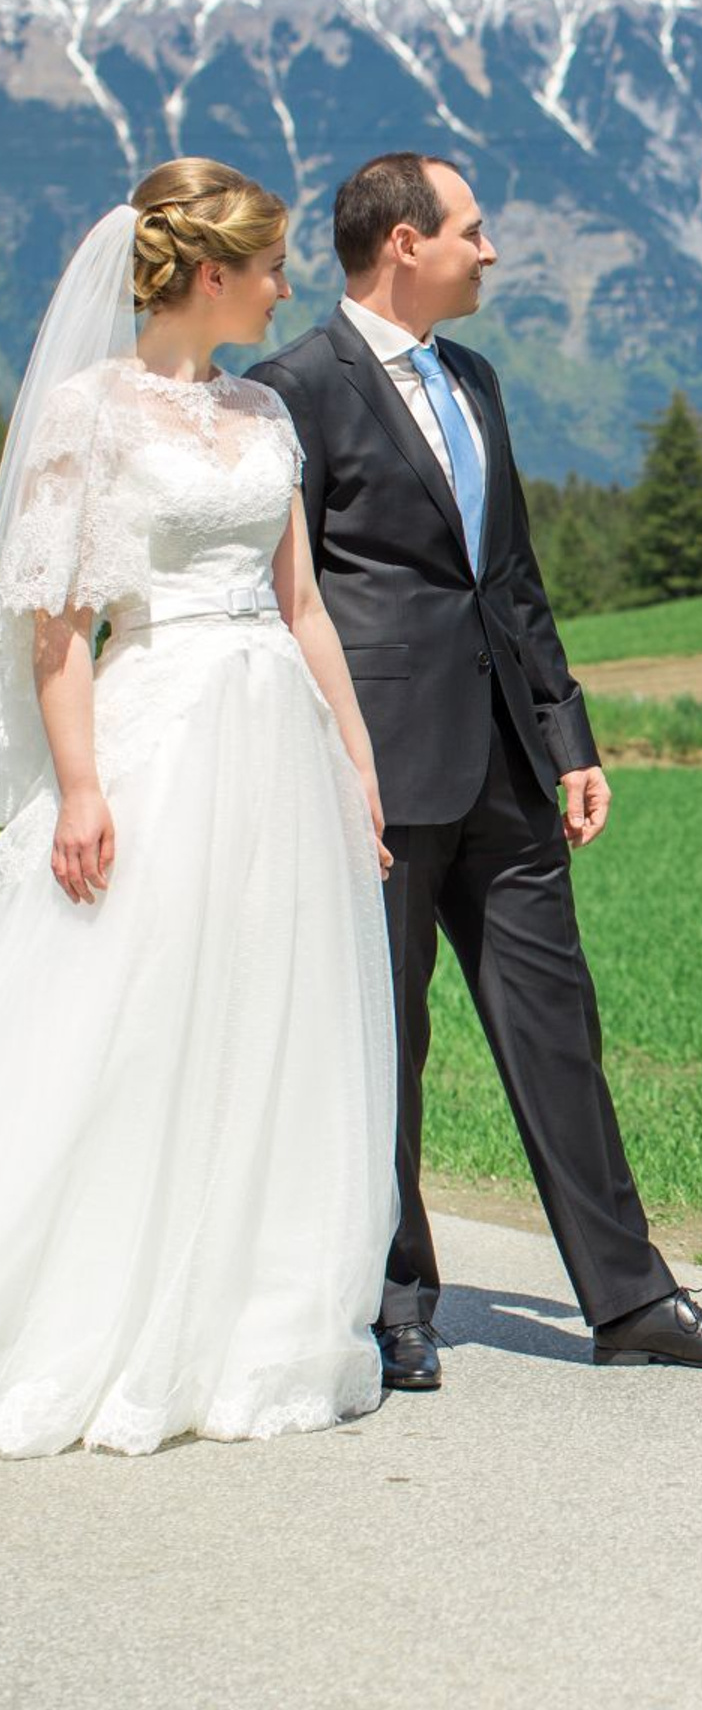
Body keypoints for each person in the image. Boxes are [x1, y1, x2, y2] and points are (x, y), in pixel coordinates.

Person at [248, 153, 702, 1383]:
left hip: (506, 772)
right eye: (473, 231)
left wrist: (569, 737)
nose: (490, 252)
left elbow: (514, 579)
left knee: (559, 1028)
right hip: (370, 774)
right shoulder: (292, 390)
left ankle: (632, 1299)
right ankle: (393, 1304)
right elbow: (289, 598)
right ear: (402, 243)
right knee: (383, 1042)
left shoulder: (477, 379)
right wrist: (327, 759)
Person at [0, 160, 398, 1459]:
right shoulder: (83, 414)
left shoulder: (262, 414)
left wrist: (357, 765)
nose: (290, 286)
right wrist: (79, 788)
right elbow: (57, 623)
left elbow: (305, 607)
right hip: (152, 726)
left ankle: (241, 1318)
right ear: (211, 275)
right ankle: (94, 1306)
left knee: (260, 1016)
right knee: (132, 1014)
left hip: (273, 735)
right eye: (274, 265)